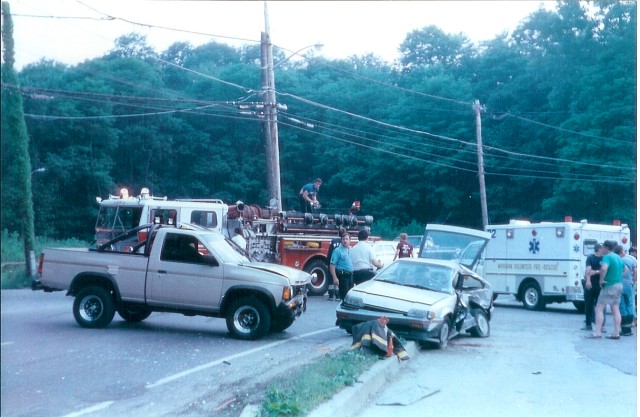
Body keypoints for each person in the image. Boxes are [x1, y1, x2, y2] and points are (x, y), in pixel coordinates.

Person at [589, 240, 624, 339]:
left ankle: (597, 332)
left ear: (606, 248)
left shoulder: (607, 257)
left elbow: (604, 268)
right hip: (619, 284)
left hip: (609, 285)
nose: (602, 249)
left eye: (603, 247)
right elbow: (625, 270)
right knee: (615, 308)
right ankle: (616, 333)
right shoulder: (618, 257)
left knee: (599, 307)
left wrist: (601, 280)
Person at [615, 245, 636, 336]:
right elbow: (635, 272)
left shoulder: (616, 260)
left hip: (619, 283)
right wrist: (633, 282)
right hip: (629, 284)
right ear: (622, 251)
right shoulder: (632, 259)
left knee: (622, 305)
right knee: (630, 304)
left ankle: (624, 328)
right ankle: (630, 324)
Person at [582, 243, 603, 331]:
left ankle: (592, 324)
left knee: (597, 305)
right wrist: (588, 280)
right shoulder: (591, 258)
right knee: (590, 304)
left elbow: (592, 270)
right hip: (594, 283)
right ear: (598, 250)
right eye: (602, 249)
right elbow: (588, 270)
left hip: (598, 283)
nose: (603, 251)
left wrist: (595, 272)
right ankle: (589, 324)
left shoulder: (603, 258)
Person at [330, 233, 354, 302]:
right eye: (343, 239)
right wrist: (334, 277)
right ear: (341, 241)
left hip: (351, 276)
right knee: (344, 298)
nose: (345, 241)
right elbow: (332, 265)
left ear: (350, 240)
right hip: (343, 277)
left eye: (347, 239)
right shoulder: (337, 251)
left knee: (351, 297)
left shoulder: (352, 250)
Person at [326, 227, 347, 301]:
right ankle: (338, 296)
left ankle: (331, 296)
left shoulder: (333, 241)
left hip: (333, 263)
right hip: (340, 264)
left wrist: (327, 263)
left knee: (331, 279)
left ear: (338, 233)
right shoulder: (344, 242)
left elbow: (330, 253)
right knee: (339, 279)